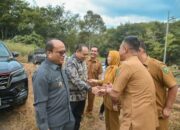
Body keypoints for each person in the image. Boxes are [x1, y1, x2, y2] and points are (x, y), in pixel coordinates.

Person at [94, 36, 158, 130]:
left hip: (135, 120)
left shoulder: (127, 65)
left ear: (125, 49)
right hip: (146, 118)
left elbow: (115, 94)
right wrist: (112, 89)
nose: (118, 51)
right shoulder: (139, 64)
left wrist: (106, 90)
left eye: (119, 48)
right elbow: (133, 90)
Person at [32, 39, 74, 130]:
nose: (64, 55)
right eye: (61, 52)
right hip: (55, 124)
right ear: (49, 53)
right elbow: (40, 104)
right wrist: (44, 127)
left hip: (68, 118)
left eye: (65, 52)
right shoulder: (42, 74)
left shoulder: (59, 67)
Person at [138, 41, 178, 130]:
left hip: (158, 115)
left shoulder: (157, 66)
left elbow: (173, 86)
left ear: (140, 50)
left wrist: (168, 108)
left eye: (131, 51)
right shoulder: (134, 67)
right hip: (140, 115)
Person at [89, 50, 121, 130]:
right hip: (106, 98)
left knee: (114, 122)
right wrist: (96, 81)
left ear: (115, 58)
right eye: (108, 56)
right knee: (107, 121)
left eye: (110, 56)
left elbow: (118, 86)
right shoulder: (108, 68)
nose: (108, 58)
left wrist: (106, 88)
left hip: (113, 100)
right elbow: (105, 82)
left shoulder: (118, 70)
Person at [65, 44, 92, 130]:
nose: (86, 56)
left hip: (82, 96)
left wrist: (89, 81)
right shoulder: (71, 62)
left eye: (87, 54)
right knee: (70, 119)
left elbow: (83, 77)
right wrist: (90, 88)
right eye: (84, 54)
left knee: (78, 117)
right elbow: (76, 80)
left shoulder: (83, 61)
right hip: (72, 98)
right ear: (77, 52)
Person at [85, 46, 103, 117]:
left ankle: (89, 112)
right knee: (81, 99)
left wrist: (99, 84)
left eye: (95, 51)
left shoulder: (99, 63)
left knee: (91, 100)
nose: (93, 52)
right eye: (92, 50)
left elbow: (100, 74)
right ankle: (80, 111)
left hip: (92, 85)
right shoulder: (85, 60)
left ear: (97, 53)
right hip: (83, 83)